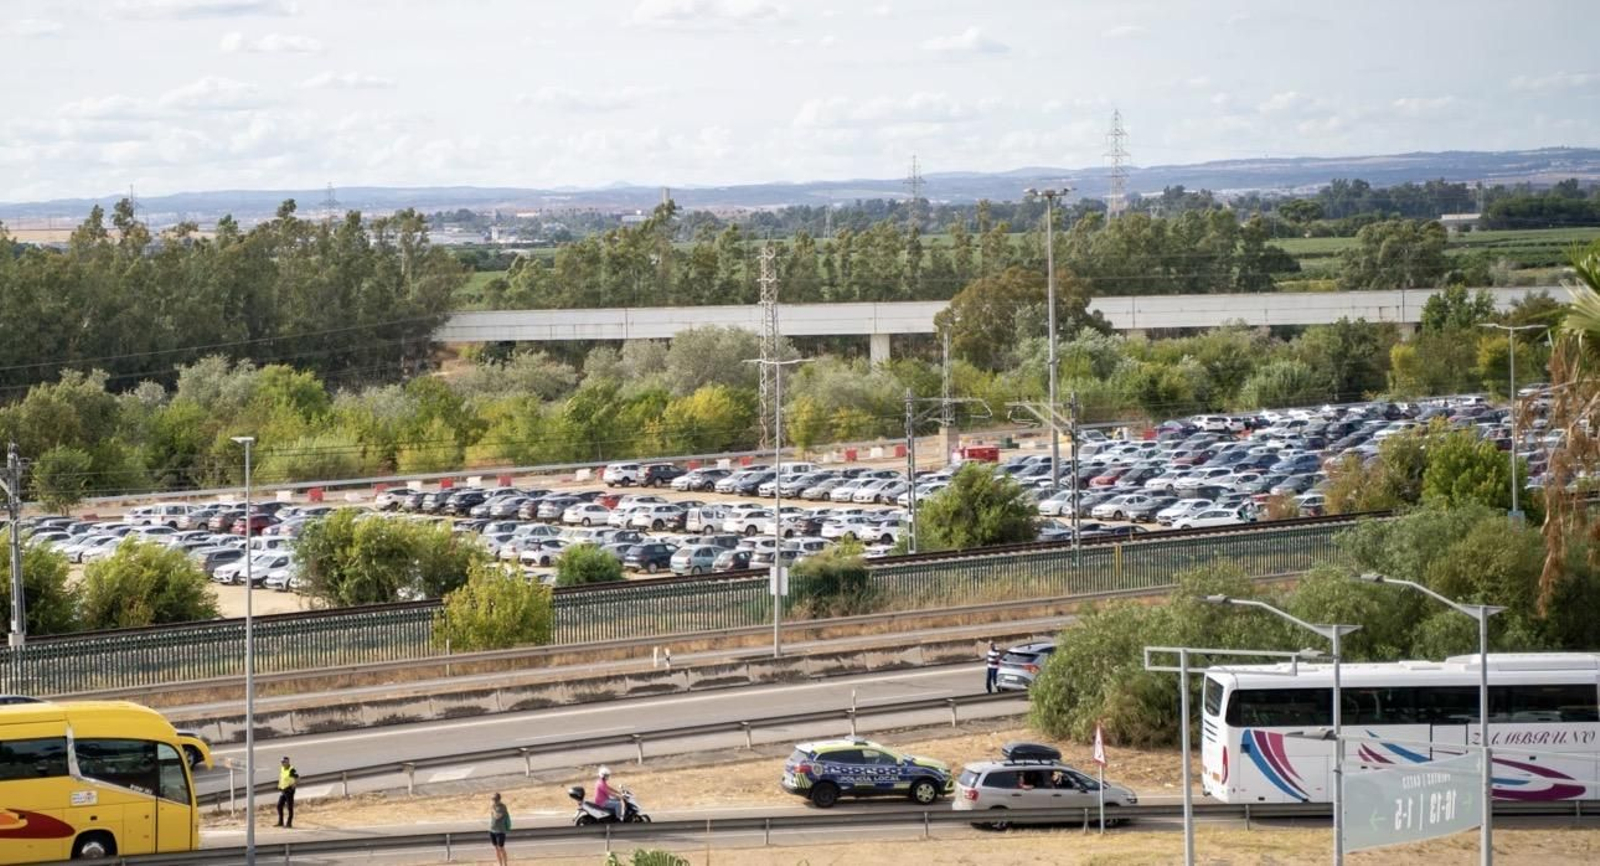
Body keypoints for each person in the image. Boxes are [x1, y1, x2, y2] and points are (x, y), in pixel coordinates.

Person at [488, 792, 510, 865]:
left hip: (500, 831)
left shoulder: (502, 807)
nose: (494, 801)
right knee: (496, 848)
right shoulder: (493, 806)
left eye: (495, 799)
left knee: (501, 848)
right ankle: (500, 864)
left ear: (498, 799)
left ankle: (505, 864)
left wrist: (493, 808)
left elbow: (497, 816)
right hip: (492, 830)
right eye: (493, 799)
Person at [276, 756, 298, 828]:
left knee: (289, 807)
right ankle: (281, 822)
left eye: (283, 762)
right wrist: (279, 785)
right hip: (283, 790)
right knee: (279, 805)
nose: (282, 763)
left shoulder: (291, 769)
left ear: (288, 762)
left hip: (289, 790)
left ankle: (289, 823)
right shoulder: (282, 768)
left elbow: (297, 778)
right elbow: (282, 778)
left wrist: (293, 787)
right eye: (281, 762)